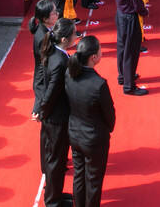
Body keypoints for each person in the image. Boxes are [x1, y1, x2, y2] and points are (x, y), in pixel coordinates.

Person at [64, 35, 115, 207]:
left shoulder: (69, 75)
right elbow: (109, 115)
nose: (102, 52)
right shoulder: (98, 84)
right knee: (93, 180)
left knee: (79, 174)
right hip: (94, 139)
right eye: (100, 50)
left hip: (74, 133)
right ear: (93, 57)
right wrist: (107, 129)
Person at [34, 18, 76, 207]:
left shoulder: (53, 52)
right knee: (56, 160)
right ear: (65, 39)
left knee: (57, 160)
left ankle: (56, 195)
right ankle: (52, 201)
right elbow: (51, 91)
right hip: (57, 119)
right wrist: (42, 111)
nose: (76, 36)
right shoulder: (59, 61)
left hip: (54, 116)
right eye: (74, 34)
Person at [111, 0, 148, 96]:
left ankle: (123, 76)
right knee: (131, 51)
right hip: (130, 18)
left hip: (121, 14)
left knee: (122, 47)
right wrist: (144, 11)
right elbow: (136, 2)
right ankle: (129, 85)